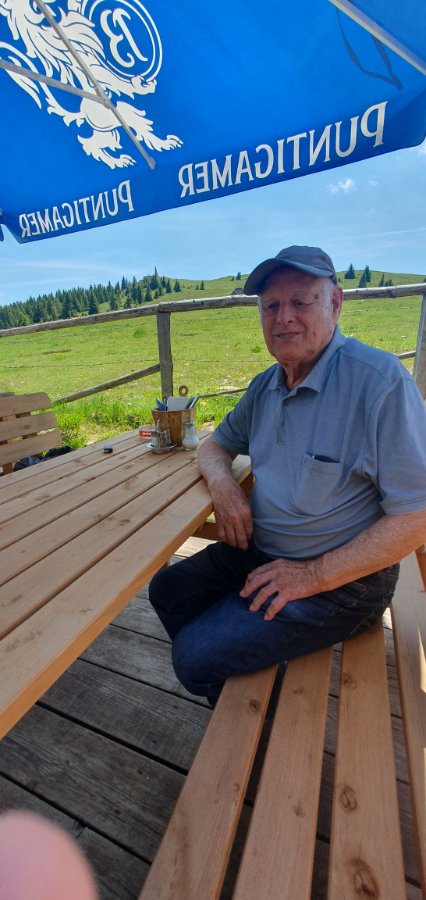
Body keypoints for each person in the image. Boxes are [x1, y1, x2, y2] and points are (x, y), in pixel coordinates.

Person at [149, 245, 426, 706]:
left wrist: (312, 575)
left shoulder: (380, 383)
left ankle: (260, 705)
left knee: (193, 658)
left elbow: (417, 516)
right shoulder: (267, 385)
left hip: (346, 582)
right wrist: (225, 487)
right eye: (271, 306)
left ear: (335, 302)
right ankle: (244, 693)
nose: (284, 319)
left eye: (300, 301)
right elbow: (215, 446)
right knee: (168, 589)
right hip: (262, 552)